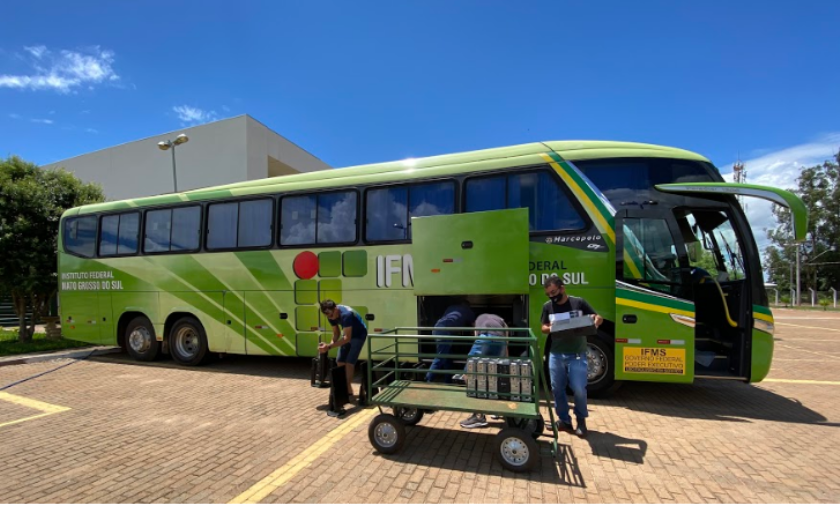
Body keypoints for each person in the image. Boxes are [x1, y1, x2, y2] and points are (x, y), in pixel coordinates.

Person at [541, 276, 602, 438]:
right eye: (548, 294)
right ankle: (564, 420)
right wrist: (552, 327)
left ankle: (581, 421)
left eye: (554, 292)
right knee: (557, 389)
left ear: (562, 288)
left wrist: (595, 321)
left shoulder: (578, 303)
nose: (552, 296)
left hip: (577, 354)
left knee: (579, 389)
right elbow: (543, 327)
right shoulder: (548, 307)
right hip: (556, 354)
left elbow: (597, 317)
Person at [459, 313, 508, 429]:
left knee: (469, 374)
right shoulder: (500, 319)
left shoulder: (478, 320)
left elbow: (477, 338)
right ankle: (494, 410)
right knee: (493, 375)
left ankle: (479, 415)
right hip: (501, 341)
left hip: (486, 337)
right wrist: (505, 359)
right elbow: (507, 339)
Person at [318, 299, 368, 401]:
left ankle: (348, 390)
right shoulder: (330, 315)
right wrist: (329, 345)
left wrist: (329, 346)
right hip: (348, 335)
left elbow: (347, 339)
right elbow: (336, 334)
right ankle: (346, 388)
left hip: (359, 335)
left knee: (349, 362)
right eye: (327, 316)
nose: (330, 318)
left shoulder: (346, 315)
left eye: (331, 315)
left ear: (335, 309)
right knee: (339, 360)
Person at [425, 297, 476, 383]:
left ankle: (448, 380)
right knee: (441, 357)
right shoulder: (468, 311)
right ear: (468, 305)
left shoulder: (451, 307)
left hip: (437, 328)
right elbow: (475, 326)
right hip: (446, 332)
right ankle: (428, 378)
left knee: (448, 358)